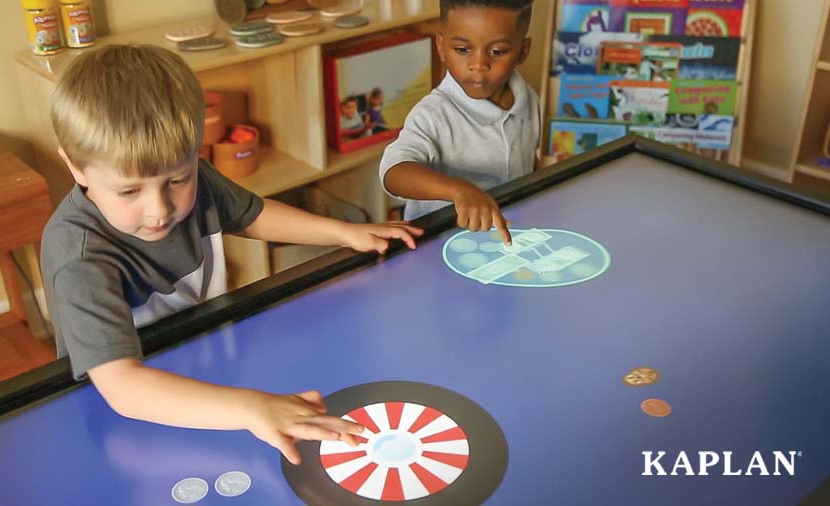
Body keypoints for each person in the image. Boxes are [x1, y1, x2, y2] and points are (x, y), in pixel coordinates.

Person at [42, 44, 422, 465]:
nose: (160, 208)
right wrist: (251, 407)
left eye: (177, 180)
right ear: (75, 168)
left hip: (208, 368)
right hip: (133, 415)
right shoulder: (78, 257)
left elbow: (248, 214)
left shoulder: (188, 175)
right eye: (130, 191)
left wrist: (343, 233)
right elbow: (123, 388)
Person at [379, 0, 541, 245]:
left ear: (523, 51)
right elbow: (393, 171)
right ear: (442, 47)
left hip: (505, 240)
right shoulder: (433, 114)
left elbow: (529, 160)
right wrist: (460, 191)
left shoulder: (528, 98)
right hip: (438, 248)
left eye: (497, 52)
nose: (478, 65)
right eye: (463, 50)